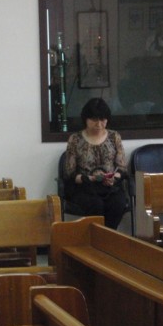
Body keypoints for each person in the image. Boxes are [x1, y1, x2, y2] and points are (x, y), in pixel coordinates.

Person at [63, 98, 128, 230]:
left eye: (102, 120)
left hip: (110, 186)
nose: (99, 124)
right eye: (94, 120)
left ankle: (107, 236)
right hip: (84, 187)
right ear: (85, 119)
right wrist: (91, 179)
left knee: (118, 203)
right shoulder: (75, 139)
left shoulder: (114, 136)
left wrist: (113, 178)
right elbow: (70, 173)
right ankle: (97, 237)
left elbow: (121, 168)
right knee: (95, 205)